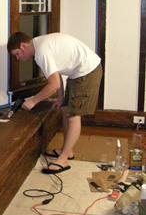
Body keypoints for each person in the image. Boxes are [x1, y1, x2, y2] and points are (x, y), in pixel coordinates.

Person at [7, 31, 102, 175]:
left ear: (23, 45)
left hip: (86, 71)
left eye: (17, 54)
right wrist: (61, 98)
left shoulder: (41, 52)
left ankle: (63, 160)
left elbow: (54, 84)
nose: (18, 58)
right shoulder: (41, 45)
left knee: (73, 116)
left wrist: (33, 101)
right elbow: (56, 75)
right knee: (65, 109)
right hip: (78, 72)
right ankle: (67, 151)